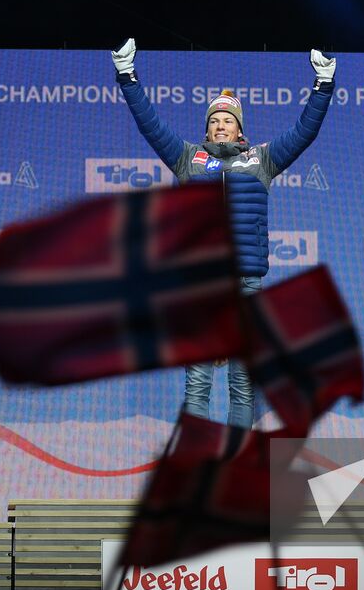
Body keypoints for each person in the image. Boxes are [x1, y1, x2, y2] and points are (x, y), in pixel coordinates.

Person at [111, 39, 335, 428]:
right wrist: (127, 76)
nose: (219, 125)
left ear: (239, 128)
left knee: (243, 383)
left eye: (227, 120)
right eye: (214, 120)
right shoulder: (187, 159)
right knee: (197, 382)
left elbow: (304, 132)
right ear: (207, 129)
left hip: (246, 284)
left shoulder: (261, 160)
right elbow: (149, 124)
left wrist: (323, 84)